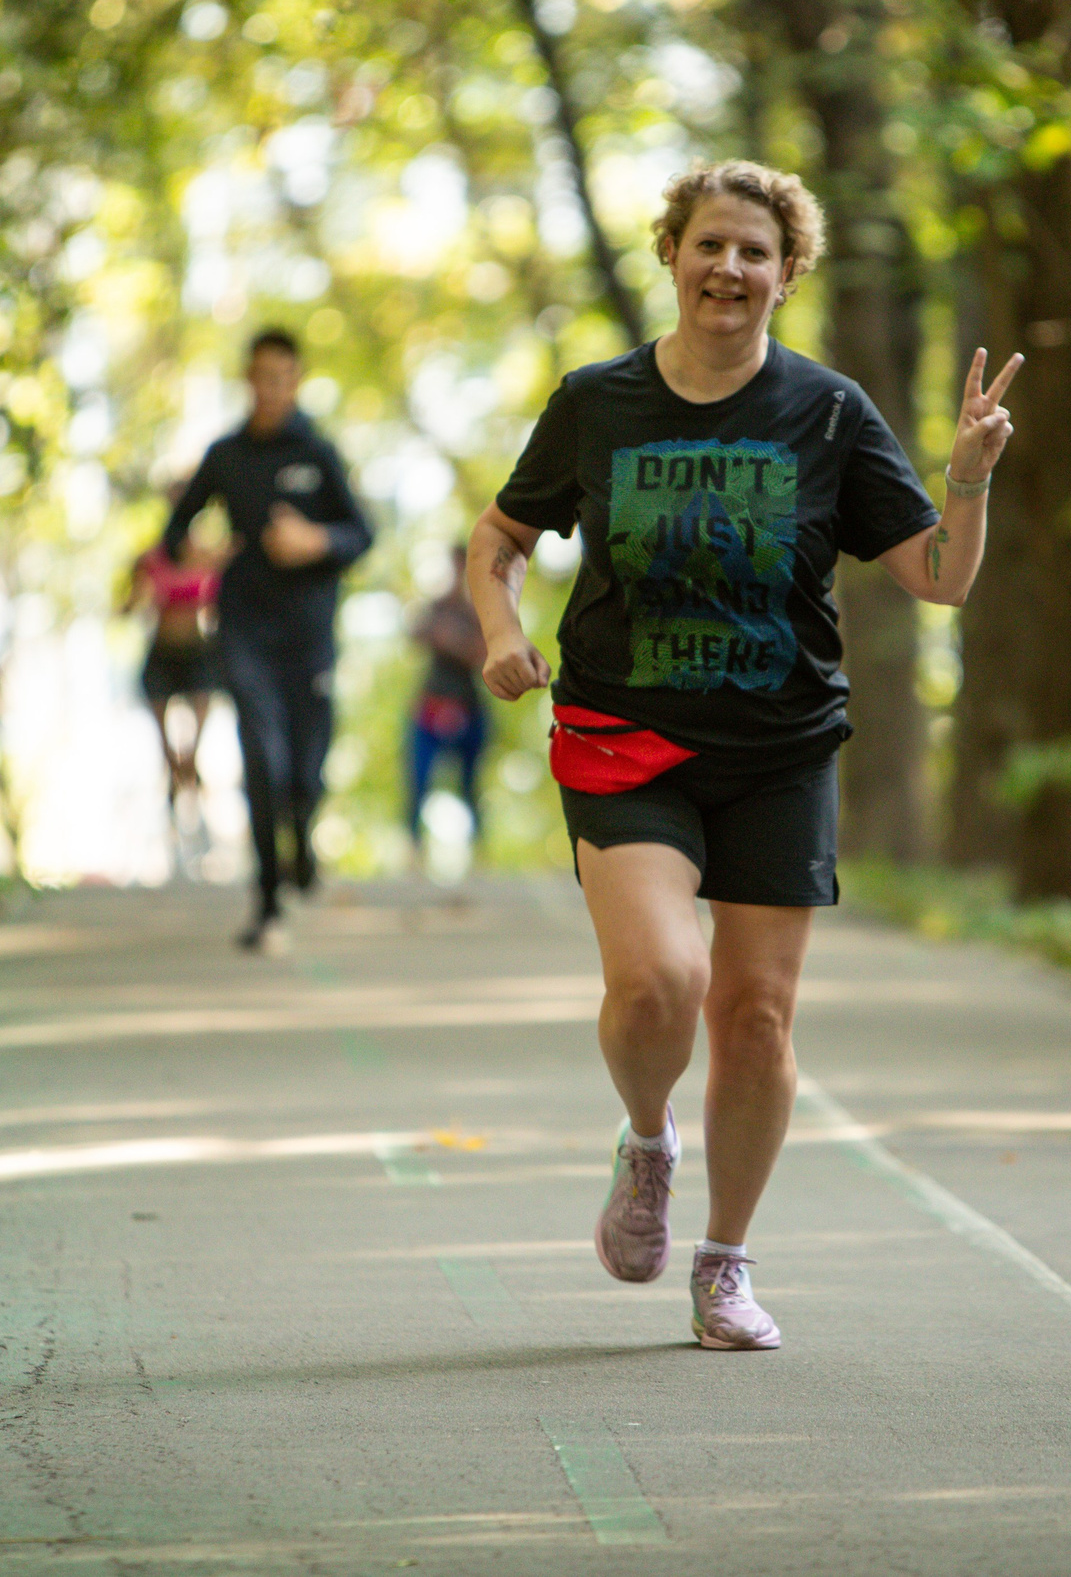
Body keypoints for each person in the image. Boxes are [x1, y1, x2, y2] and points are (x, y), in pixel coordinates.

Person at [468, 159, 1021, 1350]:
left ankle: (724, 1266)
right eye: (709, 245)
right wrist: (500, 628)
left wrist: (967, 479)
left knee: (758, 1015)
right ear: (671, 256)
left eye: (754, 252)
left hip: (779, 746)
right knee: (658, 984)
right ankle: (648, 1138)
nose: (729, 268)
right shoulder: (597, 402)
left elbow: (939, 579)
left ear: (787, 273)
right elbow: (500, 537)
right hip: (626, 736)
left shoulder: (827, 413)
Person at [162, 328, 374, 951]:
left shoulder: (319, 451)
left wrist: (317, 541)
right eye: (261, 377)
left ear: (297, 380)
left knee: (304, 770)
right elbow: (176, 530)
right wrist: (193, 550)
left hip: (309, 636)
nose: (271, 389)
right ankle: (267, 903)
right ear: (247, 379)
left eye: (283, 377)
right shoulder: (225, 454)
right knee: (260, 758)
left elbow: (362, 533)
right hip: (245, 629)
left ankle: (302, 832)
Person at [126, 527, 226, 869]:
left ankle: (199, 820)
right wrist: (138, 588)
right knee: (166, 750)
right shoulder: (152, 559)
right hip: (162, 656)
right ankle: (172, 826)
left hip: (199, 655)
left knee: (194, 747)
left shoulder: (210, 556)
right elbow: (128, 606)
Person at [406, 545, 488, 856]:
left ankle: (478, 851)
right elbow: (416, 634)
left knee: (470, 784)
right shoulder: (436, 607)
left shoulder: (481, 613)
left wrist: (450, 641)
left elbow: (484, 653)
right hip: (431, 706)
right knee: (418, 781)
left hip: (469, 708)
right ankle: (413, 849)